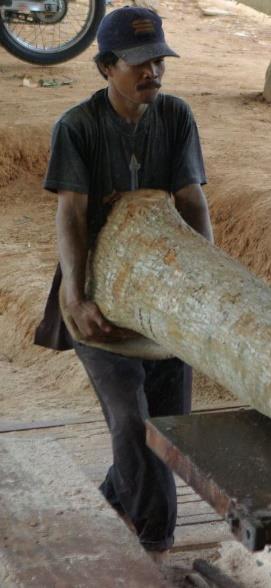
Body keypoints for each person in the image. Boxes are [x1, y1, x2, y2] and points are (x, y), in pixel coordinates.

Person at [34, 6, 213, 559]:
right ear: (106, 69)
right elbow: (72, 212)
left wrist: (205, 279)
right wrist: (74, 293)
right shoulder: (77, 127)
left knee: (167, 429)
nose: (152, 73)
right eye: (138, 63)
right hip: (101, 303)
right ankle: (155, 549)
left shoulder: (176, 117)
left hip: (162, 300)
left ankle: (115, 502)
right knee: (134, 425)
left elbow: (190, 200)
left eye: (158, 60)